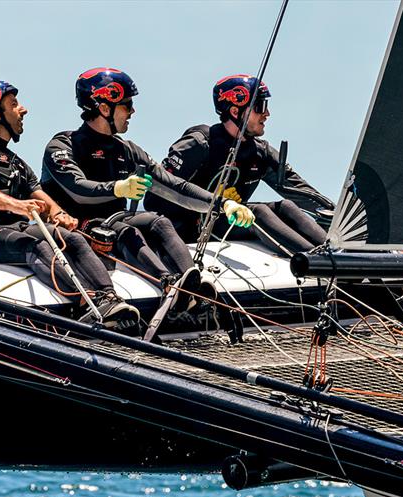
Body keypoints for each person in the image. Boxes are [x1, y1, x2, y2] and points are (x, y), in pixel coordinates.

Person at [41, 68, 255, 313]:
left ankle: (191, 285)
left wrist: (221, 204)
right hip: (77, 227)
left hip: (113, 221)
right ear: (103, 108)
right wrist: (118, 188)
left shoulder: (128, 150)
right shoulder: (62, 145)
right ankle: (167, 283)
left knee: (158, 221)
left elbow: (174, 186)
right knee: (125, 230)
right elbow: (77, 189)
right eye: (127, 104)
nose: (132, 111)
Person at [0, 80, 140, 331]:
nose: (23, 110)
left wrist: (60, 214)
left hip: (18, 227)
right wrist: (17, 206)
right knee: (35, 246)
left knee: (72, 239)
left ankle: (109, 300)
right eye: (14, 105)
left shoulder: (17, 163)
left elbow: (40, 196)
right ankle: (83, 304)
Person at [144, 74, 335, 254]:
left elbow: (297, 188)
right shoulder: (200, 144)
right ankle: (315, 261)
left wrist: (336, 214)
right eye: (260, 106)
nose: (267, 113)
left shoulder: (260, 151)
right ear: (235, 111)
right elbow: (155, 196)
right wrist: (212, 200)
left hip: (230, 222)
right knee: (258, 212)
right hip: (191, 231)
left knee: (286, 206)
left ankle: (336, 254)